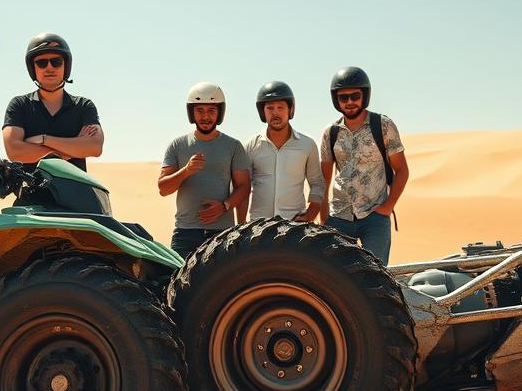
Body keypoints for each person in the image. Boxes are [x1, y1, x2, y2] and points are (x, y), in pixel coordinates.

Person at [320, 66, 409, 265]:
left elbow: (402, 170)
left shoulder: (383, 125)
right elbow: (323, 179)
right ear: (336, 100)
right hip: (339, 217)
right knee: (335, 275)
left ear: (364, 96)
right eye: (343, 97)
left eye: (355, 96)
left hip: (374, 216)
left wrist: (388, 207)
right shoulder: (330, 132)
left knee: (376, 276)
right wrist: (324, 215)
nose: (350, 102)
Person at [158, 82, 250, 258]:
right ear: (191, 112)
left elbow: (244, 186)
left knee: (223, 285)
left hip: (222, 232)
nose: (205, 116)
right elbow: (163, 188)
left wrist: (224, 206)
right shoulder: (177, 145)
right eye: (200, 110)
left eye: (211, 111)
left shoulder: (233, 146)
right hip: (185, 233)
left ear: (220, 113)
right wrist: (186, 170)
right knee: (176, 283)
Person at [2, 32, 103, 170]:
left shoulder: (83, 106)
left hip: (77, 190)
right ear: (33, 69)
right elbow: (15, 152)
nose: (49, 67)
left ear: (65, 66)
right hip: (32, 190)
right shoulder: (20, 105)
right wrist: (67, 151)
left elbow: (94, 147)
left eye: (56, 62)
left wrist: (44, 139)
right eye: (41, 63)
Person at [244, 81, 324, 222]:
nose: (275, 113)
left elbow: (317, 183)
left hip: (294, 226)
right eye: (270, 108)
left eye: (280, 107)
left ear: (290, 110)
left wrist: (310, 215)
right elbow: (242, 187)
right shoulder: (251, 145)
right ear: (263, 112)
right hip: (258, 226)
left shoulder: (307, 145)